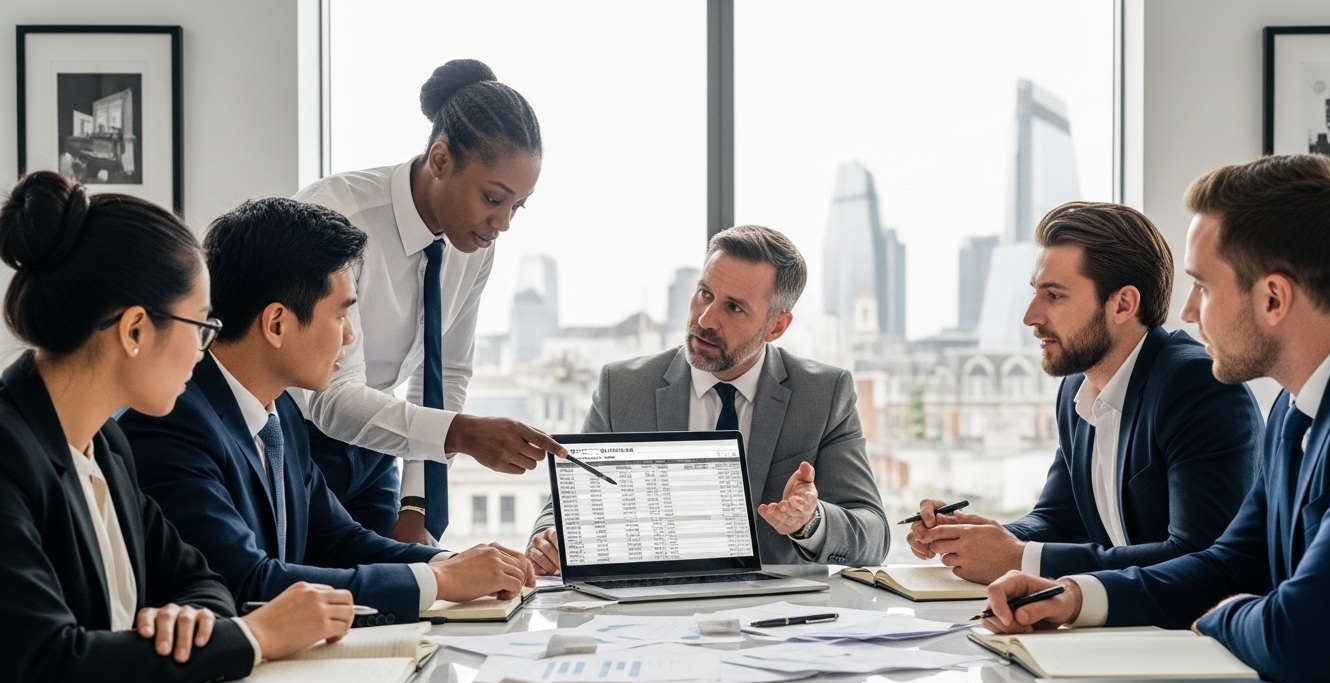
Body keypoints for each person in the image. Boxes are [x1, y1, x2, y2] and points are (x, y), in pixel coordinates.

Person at [981, 155, 1330, 683]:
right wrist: (1077, 595)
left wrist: (1224, 616)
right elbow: (1232, 562)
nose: (1185, 312)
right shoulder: (1296, 400)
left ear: (1274, 298)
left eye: (1203, 287)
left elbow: (1309, 637)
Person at [0, 172, 358, 683]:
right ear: (136, 329)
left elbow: (200, 581)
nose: (205, 348)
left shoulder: (106, 445)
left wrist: (189, 626)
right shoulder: (10, 453)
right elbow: (47, 669)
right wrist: (253, 636)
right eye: (200, 325)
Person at [120, 198, 536, 626]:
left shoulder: (280, 411)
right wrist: (439, 581)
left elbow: (337, 540)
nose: (351, 335)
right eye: (341, 314)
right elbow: (244, 584)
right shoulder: (172, 423)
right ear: (276, 324)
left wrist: (456, 561)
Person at [906, 202, 1263, 584]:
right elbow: (1058, 521)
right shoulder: (1076, 388)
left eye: (1054, 296)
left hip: (1190, 635)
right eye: (1035, 293)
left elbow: (1199, 558)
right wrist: (975, 536)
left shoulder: (1197, 386)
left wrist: (1020, 558)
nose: (1031, 316)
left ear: (1124, 304)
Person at [292, 59, 564, 545]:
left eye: (516, 206)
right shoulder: (337, 216)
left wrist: (416, 501)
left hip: (379, 444)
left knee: (405, 595)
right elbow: (328, 397)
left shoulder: (474, 244)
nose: (502, 223)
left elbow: (447, 373)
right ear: (440, 160)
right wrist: (462, 433)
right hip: (300, 439)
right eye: (493, 198)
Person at [525, 225, 888, 572]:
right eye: (704, 294)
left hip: (772, 620)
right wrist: (548, 542)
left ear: (776, 326)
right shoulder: (621, 388)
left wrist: (811, 521)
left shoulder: (823, 395)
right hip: (646, 614)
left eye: (733, 308)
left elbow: (874, 536)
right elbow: (564, 507)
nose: (706, 318)